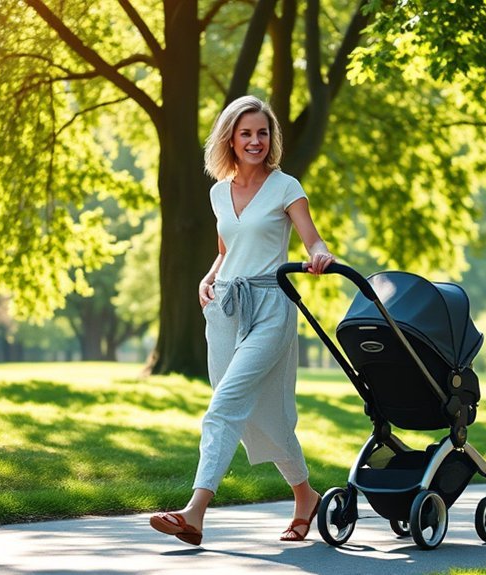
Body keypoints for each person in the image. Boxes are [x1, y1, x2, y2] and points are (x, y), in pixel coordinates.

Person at [150, 95, 333, 545]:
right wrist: (206, 279)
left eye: (262, 132)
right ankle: (305, 496)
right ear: (230, 138)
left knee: (224, 406)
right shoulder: (218, 192)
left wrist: (320, 254)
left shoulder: (286, 186)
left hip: (271, 308)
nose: (255, 140)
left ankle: (194, 512)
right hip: (225, 310)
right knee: (264, 418)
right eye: (246, 132)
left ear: (271, 138)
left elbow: (312, 238)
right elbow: (225, 250)